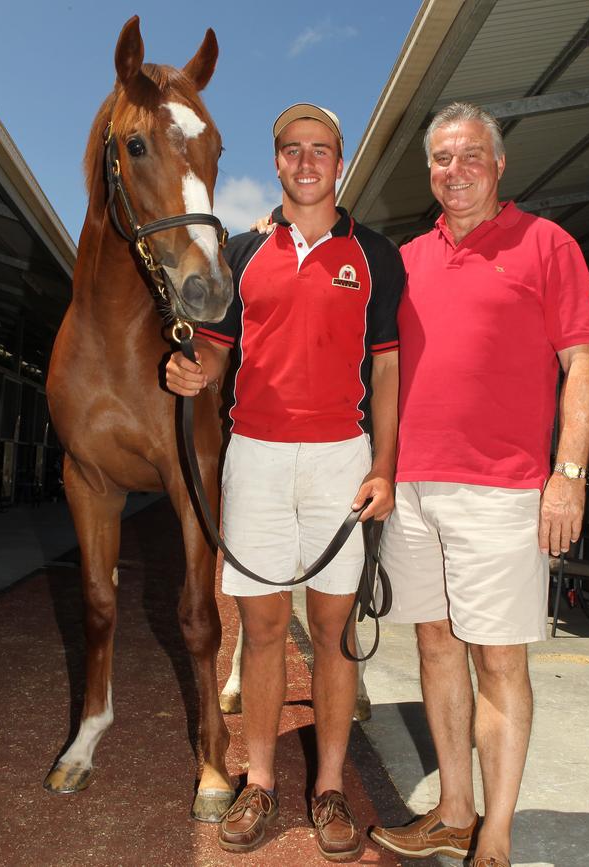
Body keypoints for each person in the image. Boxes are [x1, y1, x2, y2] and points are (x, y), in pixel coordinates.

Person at [166, 102, 405, 860]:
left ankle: (328, 786)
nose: (307, 162)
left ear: (340, 162)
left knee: (334, 636)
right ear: (277, 162)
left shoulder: (375, 254)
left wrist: (384, 465)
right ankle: (262, 781)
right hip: (257, 458)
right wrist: (188, 369)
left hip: (340, 456)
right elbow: (213, 356)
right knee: (264, 633)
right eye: (292, 150)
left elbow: (390, 367)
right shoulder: (239, 251)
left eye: (321, 150)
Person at [369, 102, 589, 867]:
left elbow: (584, 364)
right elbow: (385, 367)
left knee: (499, 660)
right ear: (429, 170)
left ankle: (496, 835)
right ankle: (455, 811)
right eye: (443, 158)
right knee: (435, 645)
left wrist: (568, 474)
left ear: (499, 165)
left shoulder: (547, 244)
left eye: (472, 156)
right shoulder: (406, 260)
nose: (456, 170)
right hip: (413, 489)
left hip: (504, 489)